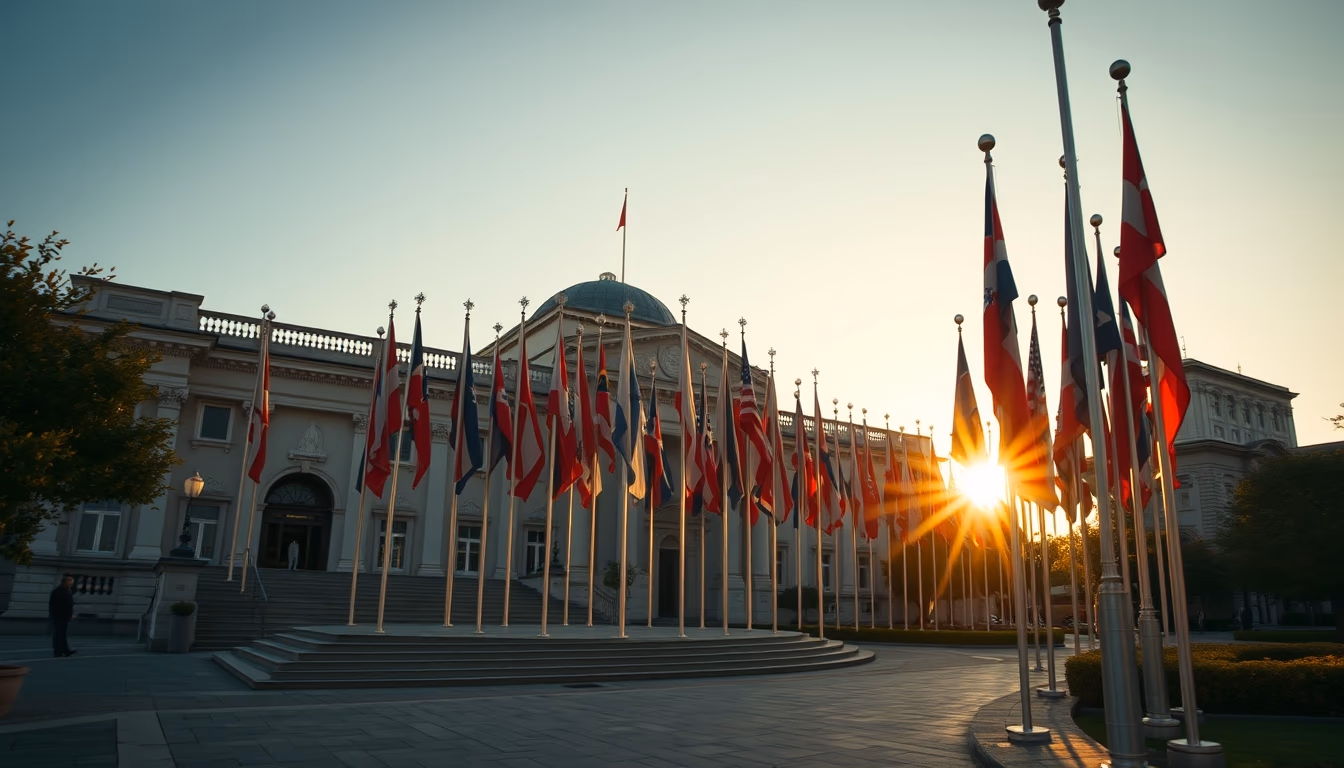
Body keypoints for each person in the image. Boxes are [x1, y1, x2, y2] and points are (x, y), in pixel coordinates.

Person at [49, 574, 76, 658]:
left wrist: (70, 614)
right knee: (59, 634)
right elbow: (55, 605)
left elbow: (69, 605)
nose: (70, 585)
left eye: (71, 583)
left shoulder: (66, 591)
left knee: (61, 634)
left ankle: (64, 650)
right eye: (69, 583)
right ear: (64, 582)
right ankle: (59, 651)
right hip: (59, 616)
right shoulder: (59, 591)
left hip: (63, 616)